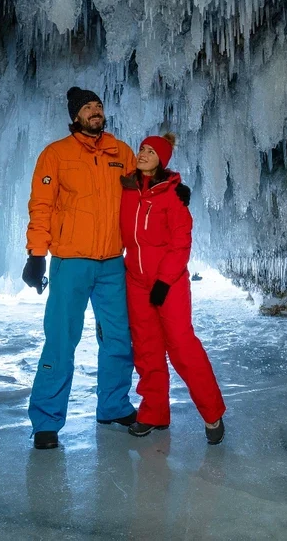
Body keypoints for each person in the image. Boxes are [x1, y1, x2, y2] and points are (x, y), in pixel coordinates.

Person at [22, 87, 139, 450]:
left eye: (98, 106)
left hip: (111, 265)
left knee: (119, 339)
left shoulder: (122, 153)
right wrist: (36, 254)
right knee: (60, 340)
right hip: (70, 262)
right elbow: (41, 205)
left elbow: (143, 195)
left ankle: (114, 406)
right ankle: (46, 421)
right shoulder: (55, 155)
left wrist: (173, 188)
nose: (95, 112)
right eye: (87, 108)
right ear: (75, 116)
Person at [120, 132, 227, 444]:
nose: (143, 154)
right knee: (147, 350)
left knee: (182, 347)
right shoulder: (126, 189)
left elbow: (181, 241)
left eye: (151, 151)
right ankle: (153, 413)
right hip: (136, 282)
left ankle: (212, 414)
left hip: (169, 283)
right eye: (142, 148)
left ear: (161, 160)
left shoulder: (172, 195)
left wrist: (164, 281)